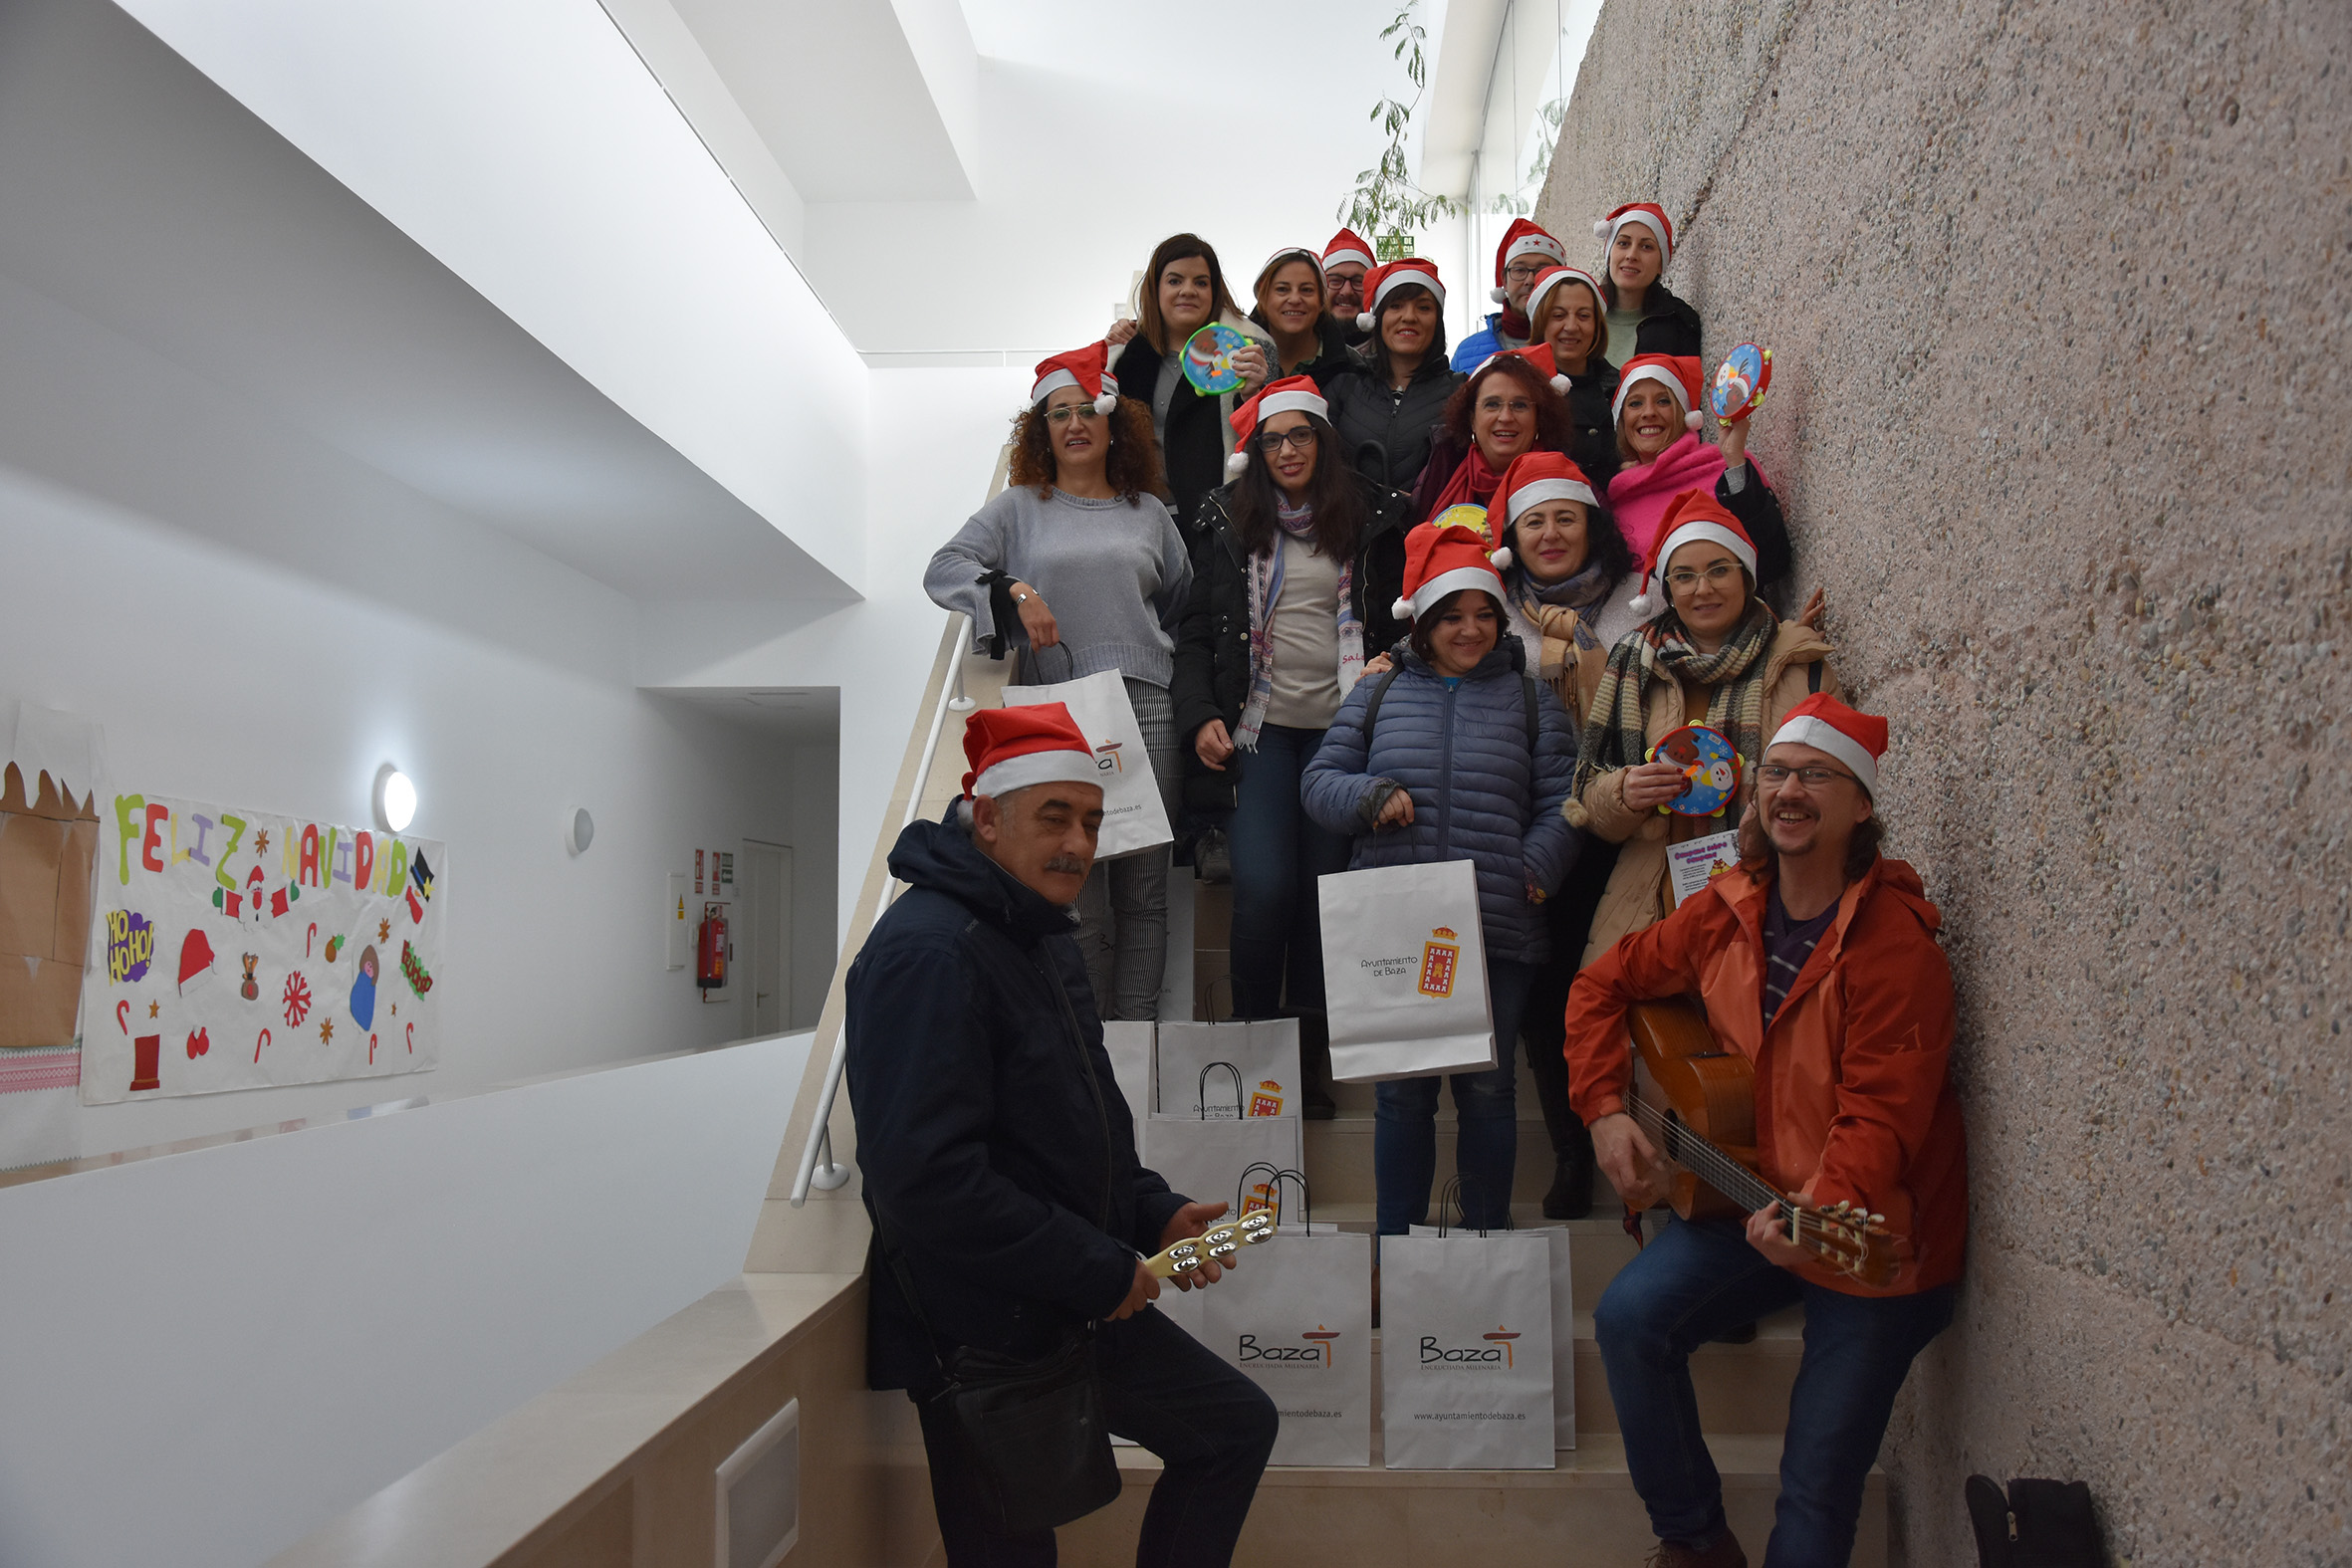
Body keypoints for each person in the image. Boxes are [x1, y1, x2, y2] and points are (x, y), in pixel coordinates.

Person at [850, 703, 1278, 1568]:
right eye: (1054, 817)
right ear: (989, 817)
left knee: (1232, 1426)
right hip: (978, 1328)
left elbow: (1074, 1122)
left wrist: (1150, 1213)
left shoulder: (1036, 932)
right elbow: (925, 1180)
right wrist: (1094, 1267)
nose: (1079, 844)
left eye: (1090, 820)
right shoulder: (929, 952)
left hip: (1061, 1292)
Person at [1563, 694, 1967, 1568]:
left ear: (1860, 804)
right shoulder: (1730, 906)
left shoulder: (1896, 948)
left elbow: (1880, 1120)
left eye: (1815, 775)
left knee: (1816, 1489)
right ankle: (1696, 1539)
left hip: (1870, 1239)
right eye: (1777, 773)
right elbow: (1602, 985)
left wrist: (1817, 1209)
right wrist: (1603, 1111)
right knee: (1629, 1320)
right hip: (1749, 1199)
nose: (1789, 790)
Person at [1301, 522, 1580, 1232]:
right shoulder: (1378, 690)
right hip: (1399, 925)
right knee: (1402, 1098)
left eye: (1484, 613)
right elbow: (1320, 782)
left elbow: (1562, 802)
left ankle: (1486, 1246)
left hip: (1496, 923)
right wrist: (1369, 796)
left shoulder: (1531, 698)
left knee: (1488, 1091)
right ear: (1421, 621)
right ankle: (1395, 1250)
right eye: (1452, 615)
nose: (1470, 628)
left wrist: (1538, 864)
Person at [924, 343, 1193, 1020]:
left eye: (1087, 411)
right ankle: (1090, 1045)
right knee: (1081, 888)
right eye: (1058, 414)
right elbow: (943, 568)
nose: (1074, 424)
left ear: (1114, 424)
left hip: (1148, 705)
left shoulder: (1150, 513)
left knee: (1146, 891)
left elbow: (1183, 597)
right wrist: (1012, 589)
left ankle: (1135, 1049)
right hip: (1060, 710)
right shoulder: (1019, 508)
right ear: (1041, 431)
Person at [1172, 378, 1413, 1117]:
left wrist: (1394, 659)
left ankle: (1305, 1063)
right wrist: (1200, 713)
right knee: (1266, 888)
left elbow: (1410, 611)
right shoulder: (1225, 517)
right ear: (1257, 449)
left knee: (1321, 901)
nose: (1287, 451)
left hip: (1344, 734)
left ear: (1323, 440)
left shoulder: (1375, 514)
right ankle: (1253, 1050)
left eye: (1300, 436)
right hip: (1260, 730)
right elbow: (1191, 633)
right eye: (1272, 440)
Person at [1566, 492, 1832, 969]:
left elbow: (1836, 793)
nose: (1702, 589)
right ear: (1667, 589)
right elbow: (1588, 801)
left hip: (1772, 900)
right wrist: (1625, 791)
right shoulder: (1634, 662)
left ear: (1747, 576)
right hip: (1655, 900)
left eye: (1719, 570)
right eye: (1684, 576)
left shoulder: (1798, 665)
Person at [1488, 451, 1635, 1217]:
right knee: (1547, 994)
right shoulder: (1496, 609)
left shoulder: (1640, 597)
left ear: (1592, 524)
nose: (1550, 534)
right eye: (1534, 520)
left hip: (1630, 820)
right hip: (1538, 820)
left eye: (1564, 518)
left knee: (1628, 982)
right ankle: (1572, 1150)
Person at [1103, 234, 1276, 556]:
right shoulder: (1125, 357)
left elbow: (1273, 443)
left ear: (1214, 291)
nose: (1188, 290)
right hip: (1135, 526)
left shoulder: (1249, 352)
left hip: (1219, 527)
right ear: (1155, 289)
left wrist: (1253, 396)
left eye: (1201, 282)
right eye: (1175, 280)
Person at [1606, 353, 1790, 584]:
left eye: (1663, 401)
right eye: (1635, 403)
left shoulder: (1726, 466)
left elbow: (1772, 562)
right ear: (1621, 420)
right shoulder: (1619, 497)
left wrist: (1734, 465)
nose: (1649, 412)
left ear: (1685, 415)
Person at [1322, 258, 1463, 493]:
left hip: (1434, 528)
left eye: (1424, 307)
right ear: (1376, 319)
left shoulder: (1461, 393)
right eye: (1395, 306)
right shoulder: (1343, 389)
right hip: (1353, 527)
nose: (1409, 316)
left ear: (1437, 321)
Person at [1409, 344, 1575, 526]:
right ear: (1472, 418)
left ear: (1539, 419)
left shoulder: (1571, 483)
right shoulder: (1440, 473)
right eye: (1492, 404)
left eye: (1520, 405)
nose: (1505, 417)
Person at [1524, 264, 1622, 489]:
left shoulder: (1621, 386)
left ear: (1597, 325)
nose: (1571, 326)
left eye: (1583, 315)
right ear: (1540, 322)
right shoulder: (1520, 390)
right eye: (1558, 315)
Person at [1451, 217, 1569, 370]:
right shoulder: (1466, 352)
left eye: (1542, 271)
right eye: (1519, 270)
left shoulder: (1577, 342)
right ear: (1504, 281)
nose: (1530, 280)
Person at [1592, 202, 1704, 363]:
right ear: (1609, 256)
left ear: (1661, 264)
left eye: (1646, 247)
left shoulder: (1680, 323)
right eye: (1623, 243)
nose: (1631, 255)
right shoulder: (1580, 312)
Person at [1248, 246, 1357, 388]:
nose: (1294, 299)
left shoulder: (1354, 367)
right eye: (1282, 289)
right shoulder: (1232, 356)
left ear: (1321, 302)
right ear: (1263, 298)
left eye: (1306, 290)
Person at [1320, 227, 1375, 350]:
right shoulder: (1300, 346)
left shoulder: (1390, 353)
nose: (1347, 291)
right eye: (1335, 280)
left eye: (1358, 281)